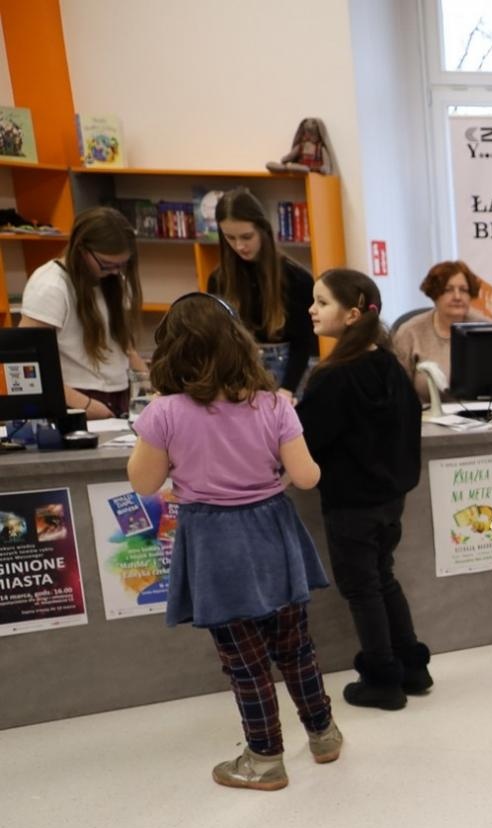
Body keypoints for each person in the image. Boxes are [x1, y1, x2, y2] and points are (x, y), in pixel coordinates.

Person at [126, 292, 339, 791]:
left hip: (214, 542)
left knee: (245, 663)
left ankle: (265, 759)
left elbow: (143, 483)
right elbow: (306, 476)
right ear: (239, 345)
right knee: (296, 648)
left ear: (173, 350)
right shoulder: (272, 404)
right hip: (274, 533)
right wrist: (272, 483)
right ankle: (324, 734)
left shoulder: (164, 413)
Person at [296, 268, 428, 710]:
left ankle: (383, 678)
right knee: (382, 577)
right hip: (391, 500)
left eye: (322, 302)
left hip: (351, 503)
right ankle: (411, 665)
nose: (311, 310)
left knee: (362, 587)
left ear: (352, 314)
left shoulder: (333, 377)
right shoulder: (389, 365)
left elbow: (304, 441)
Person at [18, 206, 145, 418]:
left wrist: (148, 387)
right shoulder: (51, 286)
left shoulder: (116, 281)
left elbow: (125, 347)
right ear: (81, 249)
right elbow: (28, 363)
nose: (115, 271)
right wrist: (84, 405)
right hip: (74, 399)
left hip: (120, 395)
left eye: (122, 265)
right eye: (106, 264)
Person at [205, 187, 317, 395]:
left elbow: (305, 343)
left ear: (263, 230)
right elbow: (220, 338)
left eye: (247, 236)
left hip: (290, 374)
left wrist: (288, 388)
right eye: (230, 238)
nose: (239, 246)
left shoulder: (297, 278)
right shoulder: (218, 280)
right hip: (242, 374)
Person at [389, 260, 489, 402]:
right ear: (434, 294)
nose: (457, 297)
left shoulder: (486, 329)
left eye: (463, 290)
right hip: (426, 418)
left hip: (484, 418)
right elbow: (396, 391)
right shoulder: (410, 332)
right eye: (448, 290)